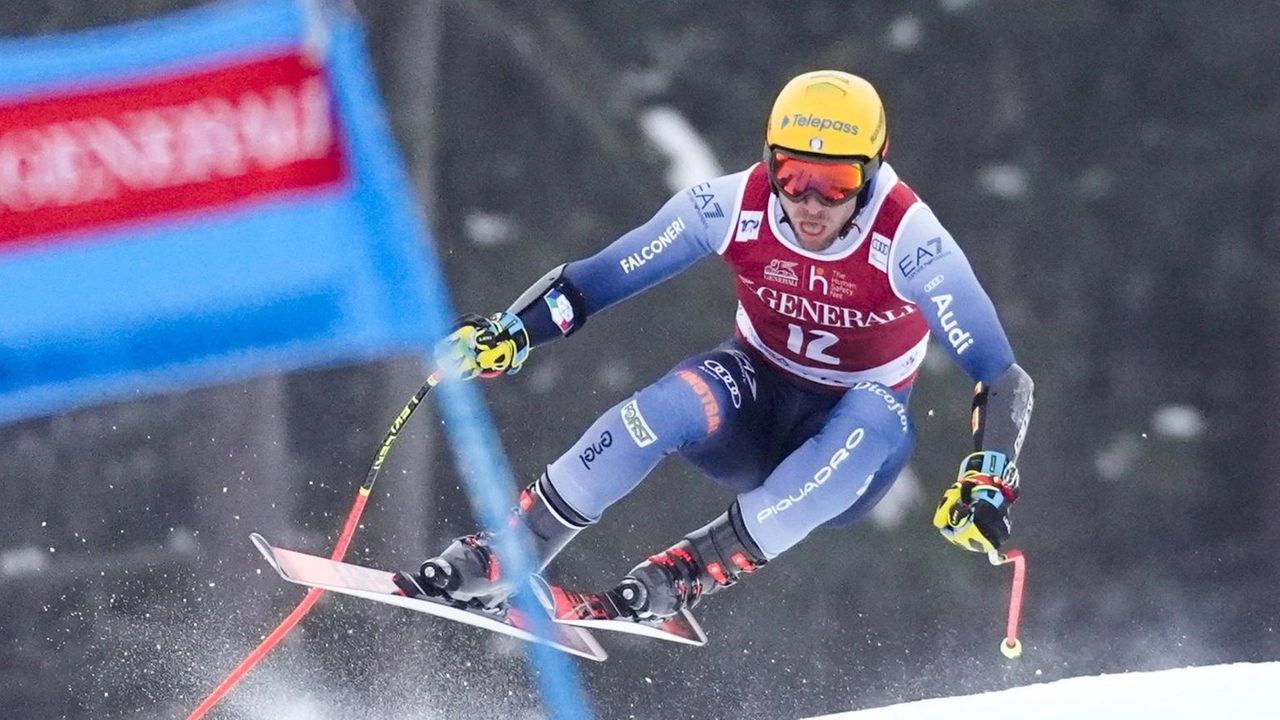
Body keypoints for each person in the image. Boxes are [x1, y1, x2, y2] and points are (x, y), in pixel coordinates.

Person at [394, 70, 1035, 622]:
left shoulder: (911, 239)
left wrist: (989, 478)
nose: (810, 203)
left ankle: (692, 569)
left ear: (873, 170)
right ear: (769, 160)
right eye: (791, 174)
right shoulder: (732, 204)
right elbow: (600, 278)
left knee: (874, 414)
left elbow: (1001, 375)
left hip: (852, 440)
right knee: (664, 408)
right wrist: (512, 332)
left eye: (836, 183)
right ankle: (517, 545)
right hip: (752, 394)